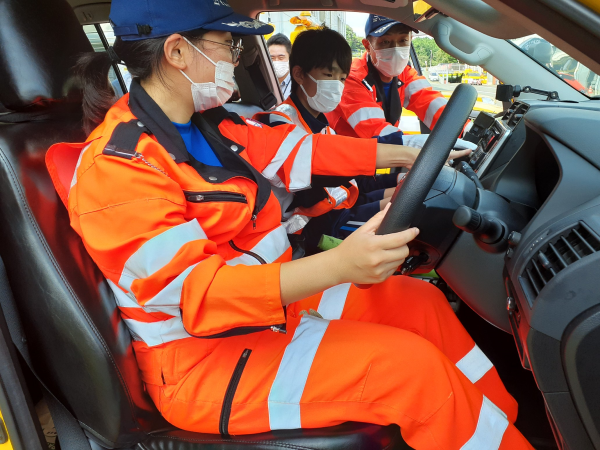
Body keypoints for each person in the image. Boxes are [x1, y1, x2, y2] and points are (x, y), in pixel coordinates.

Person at [45, 1, 533, 448]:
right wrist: (341, 264)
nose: (236, 58)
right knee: (411, 370)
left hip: (271, 310)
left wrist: (416, 152)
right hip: (204, 361)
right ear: (177, 51)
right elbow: (199, 293)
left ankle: (505, 427)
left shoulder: (211, 126)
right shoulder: (119, 168)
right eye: (227, 45)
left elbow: (308, 150)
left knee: (420, 301)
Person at [255, 28, 470, 250]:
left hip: (341, 205)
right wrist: (414, 156)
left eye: (341, 78)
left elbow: (350, 180)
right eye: (329, 76)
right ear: (299, 74)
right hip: (314, 227)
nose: (337, 86)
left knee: (427, 196)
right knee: (424, 216)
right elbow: (325, 166)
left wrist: (406, 179)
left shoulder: (318, 123)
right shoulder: (281, 124)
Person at [327, 14, 476, 152]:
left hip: (375, 158)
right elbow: (377, 133)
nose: (396, 50)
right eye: (385, 42)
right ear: (367, 46)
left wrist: (468, 130)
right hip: (344, 160)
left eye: (403, 40)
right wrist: (429, 147)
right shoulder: (351, 78)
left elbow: (431, 103)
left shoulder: (404, 73)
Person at [267, 33, 292, 100]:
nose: (276, 61)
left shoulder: (298, 85)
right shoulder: (264, 82)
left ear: (290, 58)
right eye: (272, 58)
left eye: (281, 58)